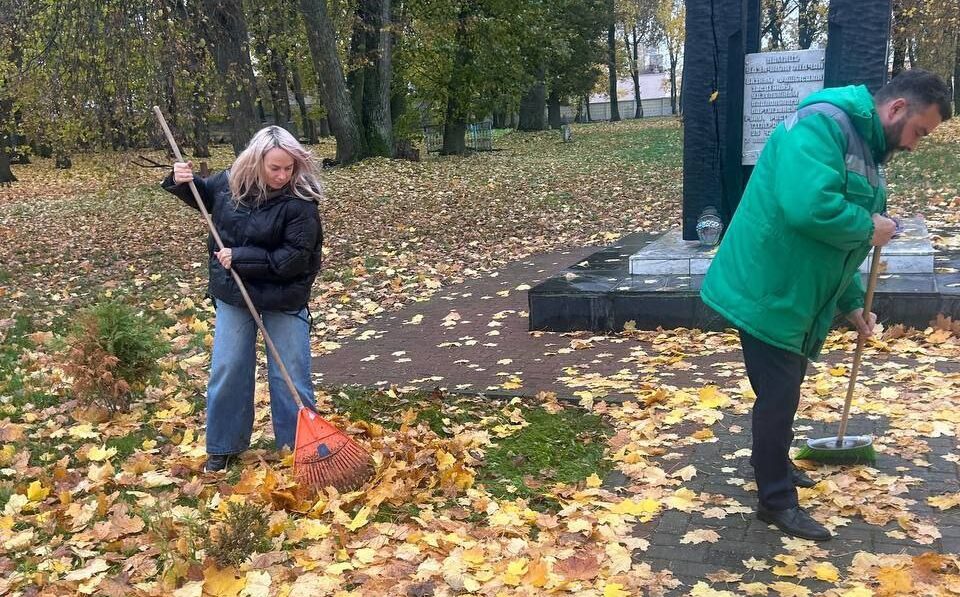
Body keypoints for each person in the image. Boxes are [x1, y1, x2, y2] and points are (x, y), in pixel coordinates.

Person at [700, 69, 951, 541]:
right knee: (778, 396)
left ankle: (771, 462)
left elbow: (836, 248)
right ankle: (775, 501)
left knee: (784, 387)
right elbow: (808, 207)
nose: (916, 144)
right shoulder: (822, 126)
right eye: (919, 131)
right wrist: (867, 227)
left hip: (795, 290)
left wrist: (854, 303)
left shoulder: (866, 150)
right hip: (767, 288)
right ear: (897, 108)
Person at [162, 126, 324, 473]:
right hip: (235, 293)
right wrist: (181, 181)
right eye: (275, 168)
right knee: (228, 367)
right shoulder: (230, 183)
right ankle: (224, 444)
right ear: (256, 162)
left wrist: (241, 257)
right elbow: (206, 199)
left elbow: (294, 258)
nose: (283, 176)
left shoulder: (301, 202)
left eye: (289, 168)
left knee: (291, 374)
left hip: (284, 295)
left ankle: (300, 446)